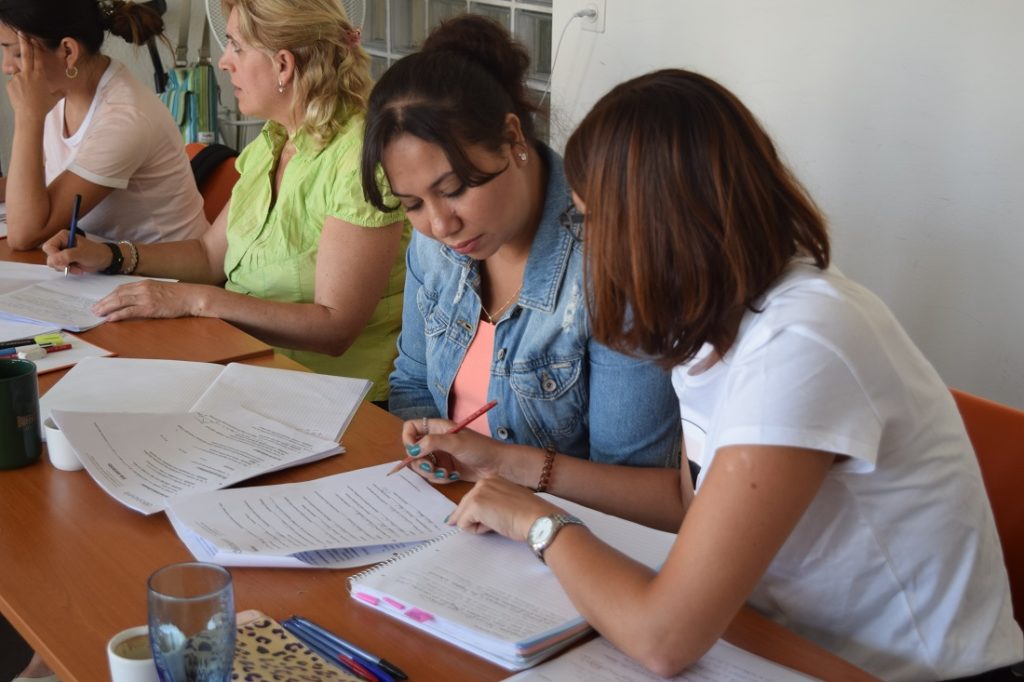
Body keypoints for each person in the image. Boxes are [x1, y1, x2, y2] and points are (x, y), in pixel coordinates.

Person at [406, 69, 1024, 680]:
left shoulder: (806, 339)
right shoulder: (710, 318)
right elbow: (683, 502)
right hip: (768, 646)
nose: (587, 245)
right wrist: (504, 463)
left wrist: (539, 523)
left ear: (656, 222)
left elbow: (664, 640)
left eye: (593, 222)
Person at [44, 0, 409, 404]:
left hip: (332, 399)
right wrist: (112, 256)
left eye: (236, 46)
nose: (223, 61)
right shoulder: (275, 138)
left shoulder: (360, 158)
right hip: (248, 366)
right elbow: (209, 256)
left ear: (283, 65)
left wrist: (195, 300)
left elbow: (334, 329)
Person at [361, 15, 679, 478]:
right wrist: (425, 448)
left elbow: (639, 485)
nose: (441, 224)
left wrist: (505, 472)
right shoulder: (433, 246)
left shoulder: (613, 266)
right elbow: (413, 383)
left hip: (566, 521)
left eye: (454, 189)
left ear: (512, 139)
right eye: (412, 204)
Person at [0, 0, 208, 250]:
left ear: (68, 51)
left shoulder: (124, 118)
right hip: (101, 262)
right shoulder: (59, 93)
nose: (6, 67)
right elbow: (38, 182)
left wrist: (27, 117)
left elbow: (24, 234)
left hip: (165, 269)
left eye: (18, 53)